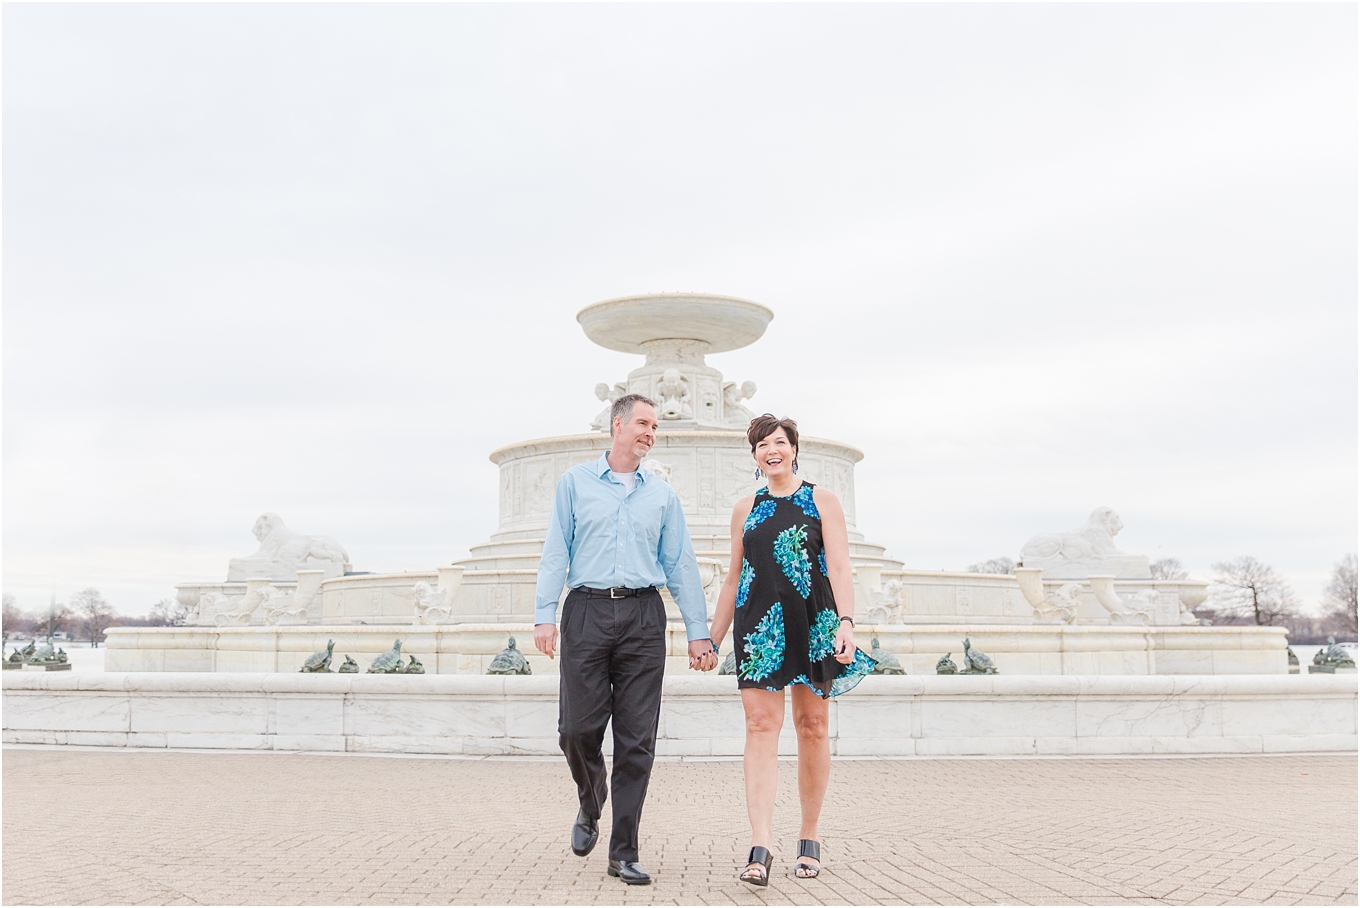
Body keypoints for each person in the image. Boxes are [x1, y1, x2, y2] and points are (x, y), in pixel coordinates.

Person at [533, 393, 717, 887]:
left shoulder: (661, 496)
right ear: (616, 425)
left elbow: (680, 566)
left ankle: (623, 850)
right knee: (575, 729)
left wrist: (699, 633)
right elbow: (556, 551)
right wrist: (544, 615)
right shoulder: (574, 483)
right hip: (586, 611)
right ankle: (591, 800)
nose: (650, 432)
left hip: (642, 615)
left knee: (637, 740)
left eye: (654, 426)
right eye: (642, 423)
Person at [708, 414, 876, 886]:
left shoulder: (823, 500)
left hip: (815, 622)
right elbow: (732, 577)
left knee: (813, 727)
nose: (771, 451)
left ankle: (809, 836)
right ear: (755, 456)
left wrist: (847, 622)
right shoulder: (746, 507)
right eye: (762, 445)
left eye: (778, 442)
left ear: (794, 448)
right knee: (760, 725)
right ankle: (760, 843)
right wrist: (711, 637)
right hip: (759, 626)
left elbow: (840, 569)